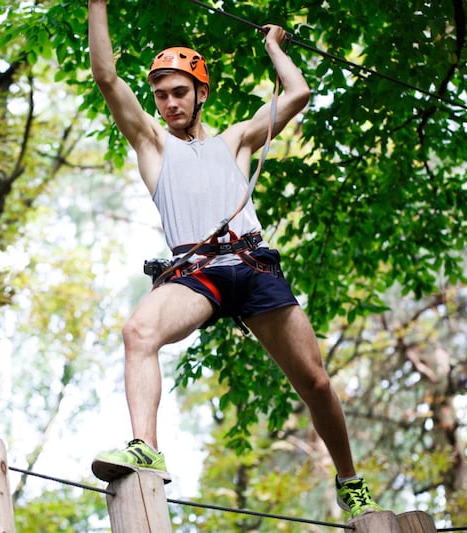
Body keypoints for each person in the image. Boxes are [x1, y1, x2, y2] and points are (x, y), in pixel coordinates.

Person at [87, 0, 383, 518]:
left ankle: (350, 481)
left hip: (252, 265)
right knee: (138, 332)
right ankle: (145, 449)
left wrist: (274, 47)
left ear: (201, 93)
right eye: (160, 95)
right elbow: (107, 77)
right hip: (195, 274)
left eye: (179, 92)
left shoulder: (237, 140)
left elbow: (299, 93)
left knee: (314, 382)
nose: (169, 103)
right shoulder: (152, 143)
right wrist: (97, 5)